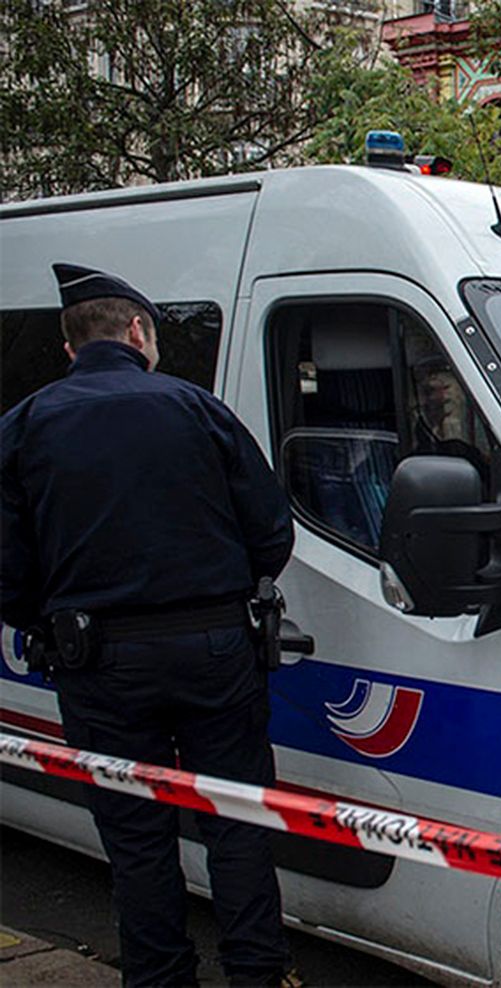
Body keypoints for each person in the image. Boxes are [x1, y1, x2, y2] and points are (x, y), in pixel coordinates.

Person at [0, 265, 295, 987]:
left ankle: (161, 978)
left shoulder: (25, 424)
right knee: (237, 824)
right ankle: (257, 974)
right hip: (215, 649)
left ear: (71, 348)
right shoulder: (198, 409)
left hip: (97, 662)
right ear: (138, 332)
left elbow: (7, 570)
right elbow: (272, 532)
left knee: (135, 839)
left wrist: (54, 621)